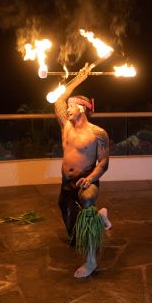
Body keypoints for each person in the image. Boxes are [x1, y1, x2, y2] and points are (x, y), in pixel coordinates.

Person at [55, 63, 112, 278]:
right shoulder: (66, 126)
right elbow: (59, 99)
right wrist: (79, 78)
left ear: (81, 108)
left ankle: (90, 261)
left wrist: (90, 179)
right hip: (66, 182)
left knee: (86, 207)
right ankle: (101, 216)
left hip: (87, 180)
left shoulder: (98, 133)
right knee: (70, 221)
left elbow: (103, 163)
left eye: (71, 106)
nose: (67, 109)